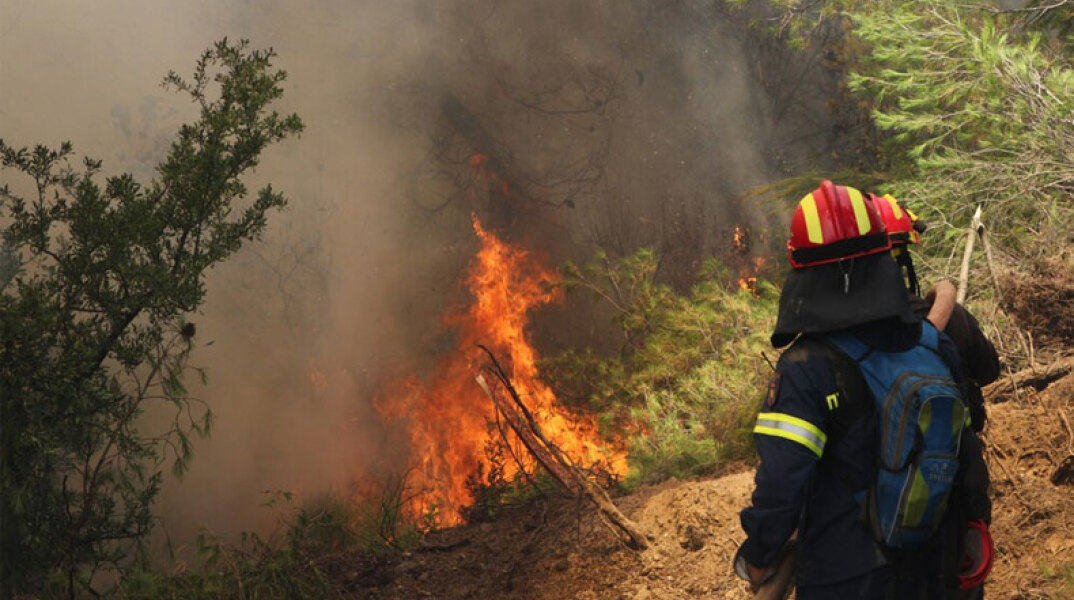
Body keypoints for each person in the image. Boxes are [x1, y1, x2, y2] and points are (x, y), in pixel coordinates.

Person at [735, 181, 991, 599]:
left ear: (799, 265)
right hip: (938, 568)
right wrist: (975, 524)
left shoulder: (805, 369)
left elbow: (782, 482)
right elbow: (967, 450)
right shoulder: (932, 343)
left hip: (847, 576)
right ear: (883, 255)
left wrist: (761, 553)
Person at [867, 192, 999, 598]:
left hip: (869, 530)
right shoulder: (949, 321)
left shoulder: (841, 344)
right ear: (903, 256)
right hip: (949, 511)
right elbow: (989, 370)